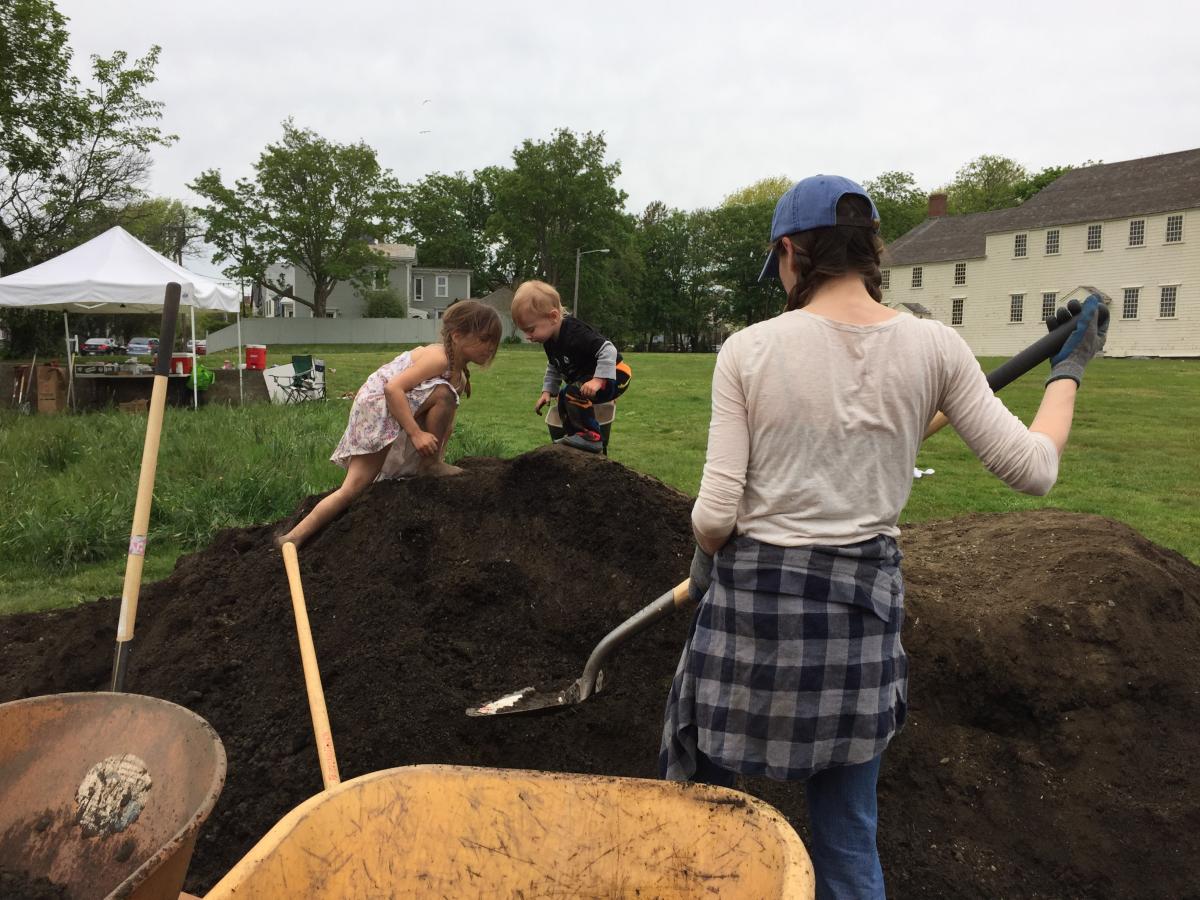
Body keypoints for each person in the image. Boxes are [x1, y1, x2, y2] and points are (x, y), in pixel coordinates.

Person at [659, 175, 1107, 899]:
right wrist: (1070, 367)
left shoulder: (748, 349)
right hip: (856, 622)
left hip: (754, 619)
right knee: (845, 838)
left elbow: (715, 516)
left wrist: (705, 559)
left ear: (789, 254)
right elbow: (1035, 469)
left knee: (706, 817)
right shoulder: (935, 346)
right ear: (871, 253)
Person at [275, 300, 502, 550]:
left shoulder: (456, 370)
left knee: (446, 397)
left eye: (495, 341)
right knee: (353, 487)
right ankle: (296, 536)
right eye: (485, 339)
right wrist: (415, 434)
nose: (491, 348)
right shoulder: (438, 359)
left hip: (386, 405)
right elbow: (393, 388)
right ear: (457, 336)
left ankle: (292, 538)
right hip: (378, 406)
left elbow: (443, 419)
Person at [510, 279, 632, 453]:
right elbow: (554, 365)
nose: (528, 336)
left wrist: (598, 380)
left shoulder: (575, 332)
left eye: (531, 329)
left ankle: (591, 437)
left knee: (572, 392)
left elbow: (608, 350)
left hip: (616, 373)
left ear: (553, 317)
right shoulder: (550, 341)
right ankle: (574, 435)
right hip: (592, 378)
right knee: (563, 397)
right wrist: (547, 392)